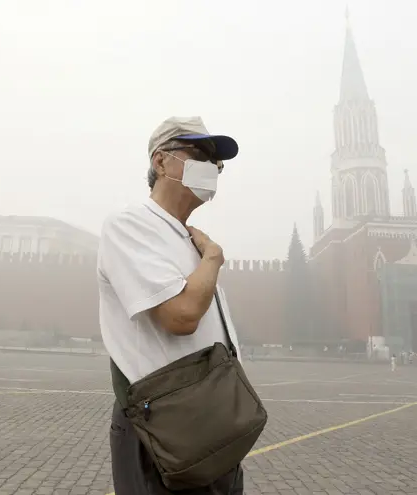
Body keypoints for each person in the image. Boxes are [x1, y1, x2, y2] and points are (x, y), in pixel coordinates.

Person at [98, 116, 244, 494]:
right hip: (163, 431)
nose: (211, 169)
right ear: (160, 162)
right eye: (199, 154)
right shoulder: (132, 225)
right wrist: (212, 259)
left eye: (217, 163)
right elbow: (181, 317)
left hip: (211, 426)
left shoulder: (187, 239)